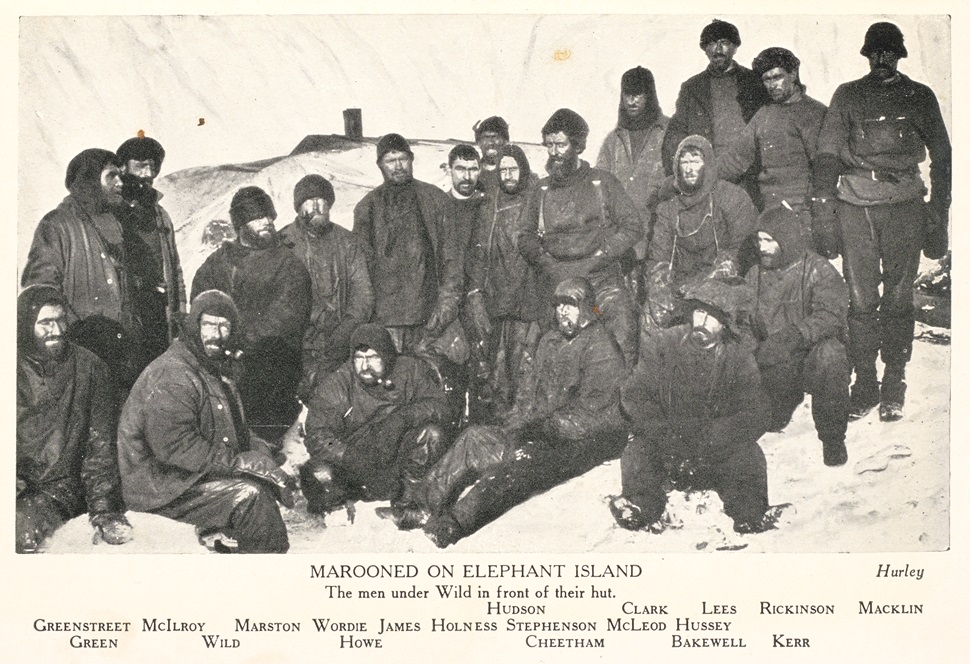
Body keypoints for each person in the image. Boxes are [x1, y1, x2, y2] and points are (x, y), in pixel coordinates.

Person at [385, 278, 627, 548]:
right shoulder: (550, 341)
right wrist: (515, 425)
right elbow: (528, 395)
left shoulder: (601, 348)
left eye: (569, 306)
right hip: (539, 432)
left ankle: (455, 523)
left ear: (586, 308)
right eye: (558, 306)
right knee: (474, 438)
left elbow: (592, 416)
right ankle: (421, 505)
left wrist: (542, 430)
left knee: (515, 466)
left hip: (573, 445)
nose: (562, 312)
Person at [812, 21, 951, 422]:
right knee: (860, 300)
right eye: (876, 53)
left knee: (898, 298)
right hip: (856, 206)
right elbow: (827, 156)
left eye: (890, 52)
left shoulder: (918, 96)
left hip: (905, 206)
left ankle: (894, 380)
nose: (882, 60)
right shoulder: (848, 96)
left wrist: (938, 215)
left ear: (900, 55)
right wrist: (824, 215)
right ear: (867, 55)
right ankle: (866, 382)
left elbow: (943, 157)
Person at [117, 290, 293, 554]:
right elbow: (175, 447)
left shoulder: (210, 369)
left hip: (185, 478)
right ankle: (267, 580)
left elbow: (235, 430)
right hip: (161, 487)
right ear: (193, 326)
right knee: (250, 497)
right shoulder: (173, 373)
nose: (217, 334)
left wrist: (260, 453)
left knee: (259, 487)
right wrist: (241, 464)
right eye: (209, 324)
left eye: (224, 326)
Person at [611, 278, 777, 535]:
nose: (701, 322)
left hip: (715, 451)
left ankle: (749, 513)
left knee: (749, 456)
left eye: (712, 317)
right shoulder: (663, 344)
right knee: (637, 452)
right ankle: (641, 507)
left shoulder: (738, 356)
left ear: (725, 324)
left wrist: (720, 435)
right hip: (668, 447)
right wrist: (664, 433)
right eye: (699, 312)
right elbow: (634, 394)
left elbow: (756, 410)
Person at [515, 108, 642, 367]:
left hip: (600, 282)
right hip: (557, 283)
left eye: (560, 144)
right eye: (549, 145)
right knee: (537, 347)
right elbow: (524, 236)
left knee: (622, 330)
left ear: (578, 146)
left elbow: (632, 225)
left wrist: (602, 256)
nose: (554, 152)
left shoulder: (601, 183)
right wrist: (546, 262)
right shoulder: (540, 190)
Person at [16, 285, 133, 553]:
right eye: (45, 323)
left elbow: (99, 448)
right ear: (25, 324)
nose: (56, 331)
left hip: (61, 487)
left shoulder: (89, 368)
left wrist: (105, 511)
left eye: (60, 320)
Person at [191, 186, 312, 432]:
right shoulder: (217, 263)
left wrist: (240, 343)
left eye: (269, 216)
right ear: (241, 224)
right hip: (223, 360)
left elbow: (284, 318)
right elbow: (201, 303)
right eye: (258, 217)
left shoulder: (288, 264)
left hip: (269, 367)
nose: (267, 222)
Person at [22, 148, 141, 392]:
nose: (120, 183)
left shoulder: (115, 225)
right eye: (111, 176)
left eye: (120, 175)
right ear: (89, 180)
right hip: (79, 354)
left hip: (119, 353)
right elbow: (40, 292)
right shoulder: (57, 224)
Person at [301, 324, 450, 516]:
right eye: (359, 358)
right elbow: (317, 435)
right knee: (320, 474)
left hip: (396, 461)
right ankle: (339, 510)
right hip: (353, 464)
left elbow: (441, 407)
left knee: (432, 435)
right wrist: (352, 459)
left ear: (387, 356)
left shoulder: (410, 370)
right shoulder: (337, 384)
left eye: (372, 358)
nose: (364, 366)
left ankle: (409, 502)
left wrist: (405, 417)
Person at [746, 208, 850, 466]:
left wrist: (795, 335)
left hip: (807, 357)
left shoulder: (818, 269)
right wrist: (754, 350)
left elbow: (831, 313)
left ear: (787, 238)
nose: (763, 247)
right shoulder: (754, 274)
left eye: (769, 240)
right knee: (765, 421)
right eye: (759, 240)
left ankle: (833, 439)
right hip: (773, 362)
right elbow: (742, 319)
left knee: (831, 355)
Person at [353, 133, 462, 355]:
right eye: (390, 161)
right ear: (380, 165)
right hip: (386, 322)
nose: (398, 166)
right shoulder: (367, 209)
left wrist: (443, 313)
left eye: (403, 159)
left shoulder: (435, 200)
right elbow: (362, 272)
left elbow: (451, 261)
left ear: (411, 159)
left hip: (429, 320)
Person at [644, 135, 757, 332]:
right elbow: (658, 258)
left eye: (695, 161)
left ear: (708, 163)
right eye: (684, 162)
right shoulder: (668, 209)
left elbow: (741, 248)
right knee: (651, 316)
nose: (688, 169)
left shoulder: (731, 197)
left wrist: (706, 286)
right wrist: (659, 291)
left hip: (724, 284)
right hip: (681, 288)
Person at [718, 47, 827, 252]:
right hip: (769, 211)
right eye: (766, 79)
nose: (772, 85)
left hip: (802, 213)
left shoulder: (813, 113)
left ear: (793, 74)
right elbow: (735, 159)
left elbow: (823, 169)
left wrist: (810, 213)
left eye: (777, 77)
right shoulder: (764, 115)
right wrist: (699, 177)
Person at [465, 144, 543, 419]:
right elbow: (478, 253)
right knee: (497, 374)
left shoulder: (537, 199)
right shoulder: (490, 205)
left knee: (526, 369)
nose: (509, 175)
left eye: (514, 168)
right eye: (503, 170)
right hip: (497, 302)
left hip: (528, 302)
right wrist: (475, 293)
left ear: (523, 169)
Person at [279, 174, 373, 396]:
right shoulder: (282, 243)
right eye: (309, 202)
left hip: (339, 345)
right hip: (297, 346)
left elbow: (363, 294)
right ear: (298, 207)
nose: (317, 207)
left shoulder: (347, 242)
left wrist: (345, 331)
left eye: (323, 201)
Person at [661, 19, 769, 207]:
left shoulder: (753, 82)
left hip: (748, 178)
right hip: (706, 179)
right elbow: (675, 134)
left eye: (725, 43)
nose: (718, 49)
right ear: (704, 49)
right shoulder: (692, 88)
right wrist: (680, 176)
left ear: (735, 47)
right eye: (712, 43)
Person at [115, 135, 187, 368]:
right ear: (123, 168)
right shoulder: (113, 213)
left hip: (160, 315)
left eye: (152, 167)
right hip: (127, 315)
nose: (147, 175)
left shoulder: (160, 215)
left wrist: (180, 314)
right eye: (140, 166)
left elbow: (175, 269)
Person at [596, 65, 669, 252]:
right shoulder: (613, 141)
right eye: (627, 95)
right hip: (622, 240)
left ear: (649, 96)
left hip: (658, 234)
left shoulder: (668, 133)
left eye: (638, 95)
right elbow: (599, 188)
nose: (631, 101)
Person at [472, 116, 510, 192]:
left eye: (495, 137)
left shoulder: (516, 174)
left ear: (505, 141)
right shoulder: (470, 173)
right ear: (478, 142)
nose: (490, 143)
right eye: (486, 137)